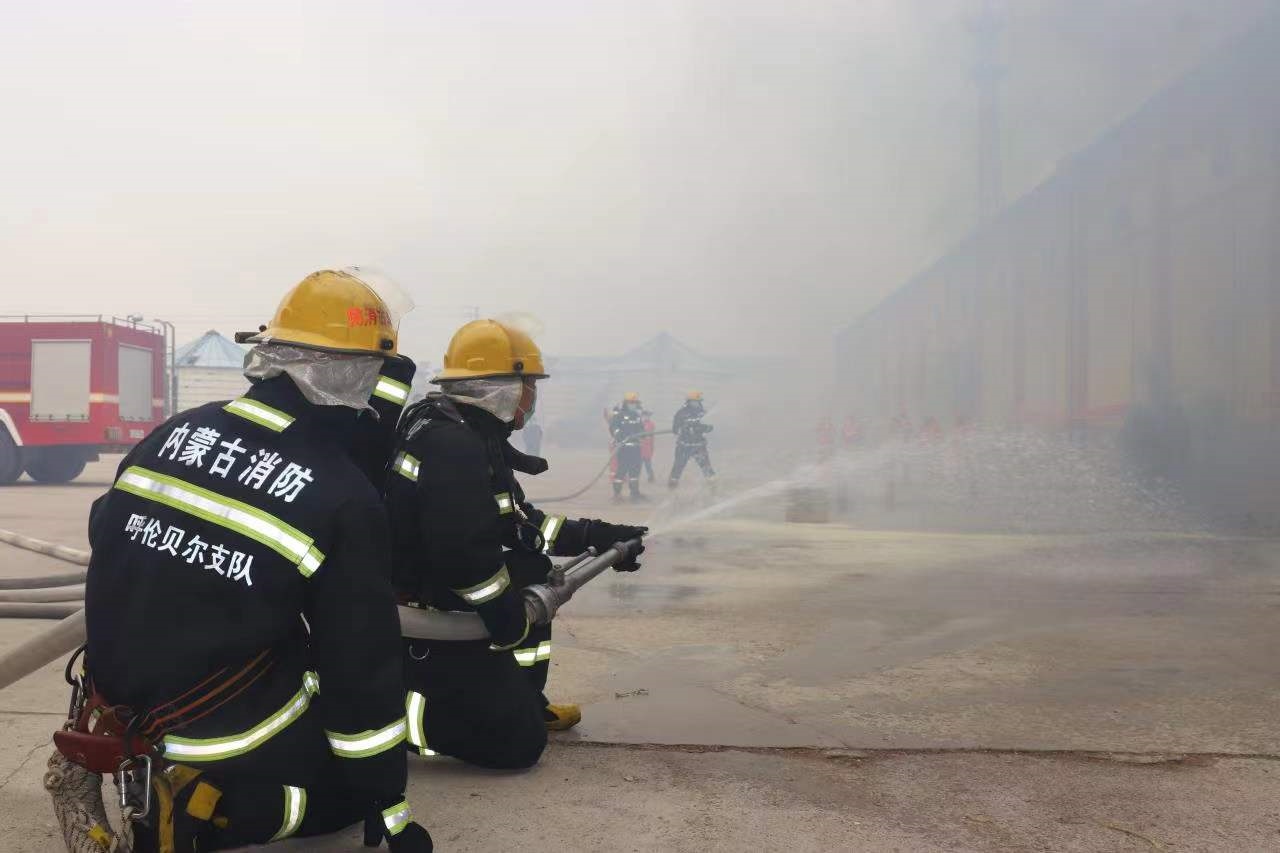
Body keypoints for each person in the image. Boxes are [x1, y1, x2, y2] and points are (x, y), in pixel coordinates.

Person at [71, 269, 431, 851]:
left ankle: (168, 779)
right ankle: (210, 812)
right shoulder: (342, 495)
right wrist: (387, 799)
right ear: (357, 376)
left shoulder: (177, 433)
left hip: (118, 707)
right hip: (214, 732)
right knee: (344, 790)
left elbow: (104, 530)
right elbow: (359, 667)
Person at [385, 319, 647, 769]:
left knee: (532, 569)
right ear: (501, 387)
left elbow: (520, 526)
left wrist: (598, 535)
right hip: (426, 606)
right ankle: (389, 719)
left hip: (440, 586)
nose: (532, 397)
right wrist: (507, 616)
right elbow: (461, 556)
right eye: (529, 386)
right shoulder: (453, 446)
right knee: (517, 746)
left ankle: (524, 696)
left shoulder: (471, 433)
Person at [668, 390, 716, 488]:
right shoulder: (681, 413)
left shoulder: (703, 413)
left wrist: (705, 428)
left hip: (699, 445)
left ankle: (713, 486)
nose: (696, 403)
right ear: (689, 401)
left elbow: (709, 427)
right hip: (684, 445)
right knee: (678, 466)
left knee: (706, 466)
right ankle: (672, 486)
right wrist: (684, 428)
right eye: (694, 401)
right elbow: (675, 430)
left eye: (698, 401)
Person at [609, 392, 647, 501]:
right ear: (626, 403)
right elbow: (613, 428)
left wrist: (643, 434)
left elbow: (641, 429)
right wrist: (621, 436)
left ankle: (634, 494)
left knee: (635, 471)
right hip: (624, 448)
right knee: (622, 470)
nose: (633, 405)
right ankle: (617, 494)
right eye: (631, 403)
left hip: (635, 448)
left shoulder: (636, 416)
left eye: (634, 403)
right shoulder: (619, 415)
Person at [640, 410, 657, 483]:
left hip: (647, 446)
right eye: (645, 416)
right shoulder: (639, 424)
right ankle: (635, 477)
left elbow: (652, 437)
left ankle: (651, 476)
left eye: (647, 416)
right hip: (640, 447)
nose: (646, 417)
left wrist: (652, 447)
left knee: (648, 464)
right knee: (638, 464)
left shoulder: (651, 424)